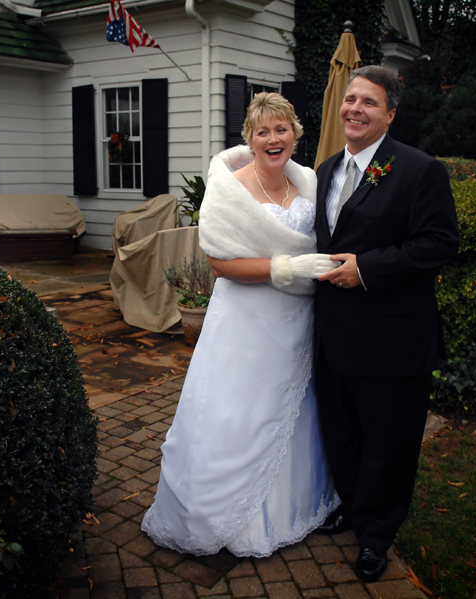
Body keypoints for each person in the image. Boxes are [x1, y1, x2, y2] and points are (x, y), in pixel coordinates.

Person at [141, 93, 341, 557]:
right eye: (263, 131)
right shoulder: (230, 188)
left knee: (293, 409)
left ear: (296, 133)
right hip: (246, 321)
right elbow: (218, 263)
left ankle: (294, 505)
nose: (273, 139)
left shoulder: (309, 182)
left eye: (282, 129)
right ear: (249, 139)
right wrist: (288, 268)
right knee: (237, 409)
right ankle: (228, 516)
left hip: (296, 320)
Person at [312, 66, 460, 582]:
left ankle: (377, 535)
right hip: (333, 339)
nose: (354, 108)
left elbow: (440, 243)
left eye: (368, 102)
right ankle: (353, 507)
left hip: (394, 340)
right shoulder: (326, 170)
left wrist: (367, 269)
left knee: (388, 444)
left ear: (390, 113)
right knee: (343, 434)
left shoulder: (420, 170)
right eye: (349, 99)